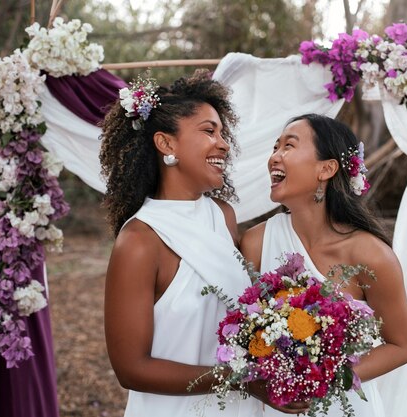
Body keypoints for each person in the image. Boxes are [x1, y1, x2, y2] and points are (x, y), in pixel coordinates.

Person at [100, 70, 303, 417]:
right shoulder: (139, 241)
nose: (223, 143)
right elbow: (130, 368)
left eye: (223, 133)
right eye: (209, 131)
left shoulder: (222, 215)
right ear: (166, 144)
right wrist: (241, 379)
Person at [241, 113, 407, 417]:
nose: (274, 158)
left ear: (327, 168)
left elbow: (401, 346)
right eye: (275, 147)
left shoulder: (371, 254)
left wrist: (325, 378)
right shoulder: (255, 242)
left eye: (289, 146)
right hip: (275, 408)